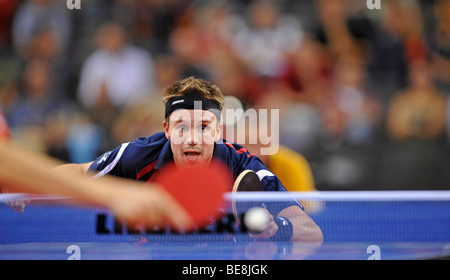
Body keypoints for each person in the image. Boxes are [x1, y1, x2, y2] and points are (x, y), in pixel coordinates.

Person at [56, 77, 323, 243]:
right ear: (166, 129)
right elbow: (80, 173)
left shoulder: (245, 167)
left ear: (219, 131)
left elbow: (312, 232)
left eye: (204, 127)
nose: (192, 139)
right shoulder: (138, 156)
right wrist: (20, 189)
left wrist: (278, 228)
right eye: (181, 127)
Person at [0, 107, 193, 231]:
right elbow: (4, 160)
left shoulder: (223, 154)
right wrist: (115, 195)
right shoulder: (135, 155)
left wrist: (25, 182)